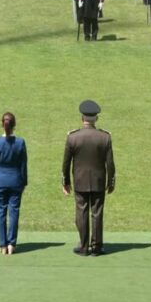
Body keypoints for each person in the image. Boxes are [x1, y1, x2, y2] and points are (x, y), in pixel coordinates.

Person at [62, 100, 115, 257]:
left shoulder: (73, 137)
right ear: (96, 119)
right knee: (97, 213)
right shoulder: (105, 137)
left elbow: (65, 162)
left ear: (82, 118)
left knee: (82, 213)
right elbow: (110, 164)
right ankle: (97, 247)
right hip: (98, 181)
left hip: (80, 181)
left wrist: (65, 182)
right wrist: (111, 181)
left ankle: (84, 247)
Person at [0, 112, 28, 255]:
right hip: (16, 180)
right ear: (14, 125)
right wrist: (24, 182)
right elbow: (23, 165)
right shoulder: (20, 142)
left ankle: (3, 245)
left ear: (2, 124)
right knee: (14, 212)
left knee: (0, 213)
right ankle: (12, 244)